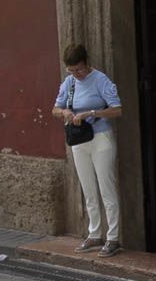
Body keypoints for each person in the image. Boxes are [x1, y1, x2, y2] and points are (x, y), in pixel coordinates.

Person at [52, 44, 125, 257]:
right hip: (79, 141)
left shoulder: (101, 80)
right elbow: (54, 109)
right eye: (72, 70)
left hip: (101, 138)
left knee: (106, 188)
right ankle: (94, 233)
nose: (77, 74)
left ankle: (113, 238)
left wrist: (92, 113)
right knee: (88, 188)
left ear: (87, 63)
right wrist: (65, 111)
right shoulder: (69, 83)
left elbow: (117, 110)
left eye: (80, 70)